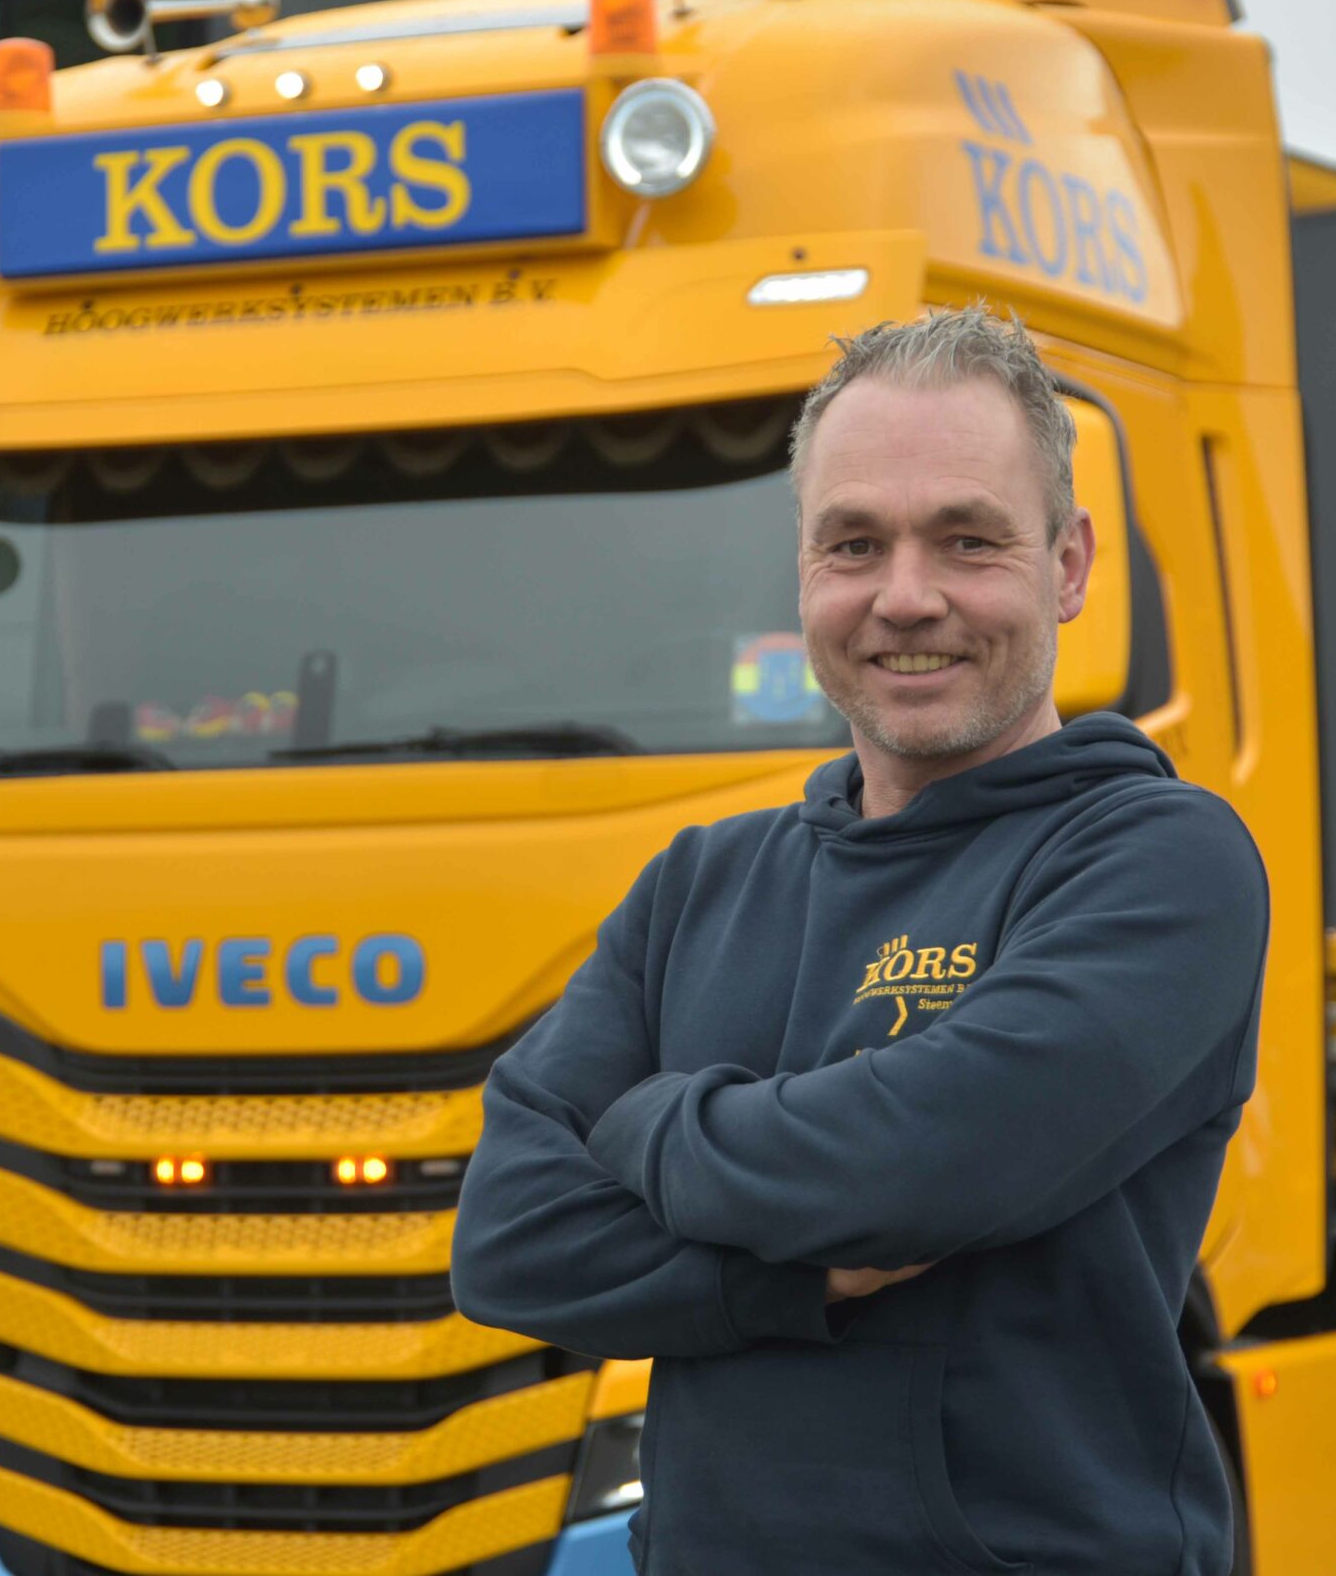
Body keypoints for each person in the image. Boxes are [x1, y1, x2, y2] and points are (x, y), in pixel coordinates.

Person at [451, 304, 1270, 1576]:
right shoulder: (698, 885)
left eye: (967, 539)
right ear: (804, 573)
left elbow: (921, 1167)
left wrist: (647, 1121)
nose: (905, 596)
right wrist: (798, 1274)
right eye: (854, 544)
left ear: (1066, 564)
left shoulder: (1160, 859)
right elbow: (507, 1238)